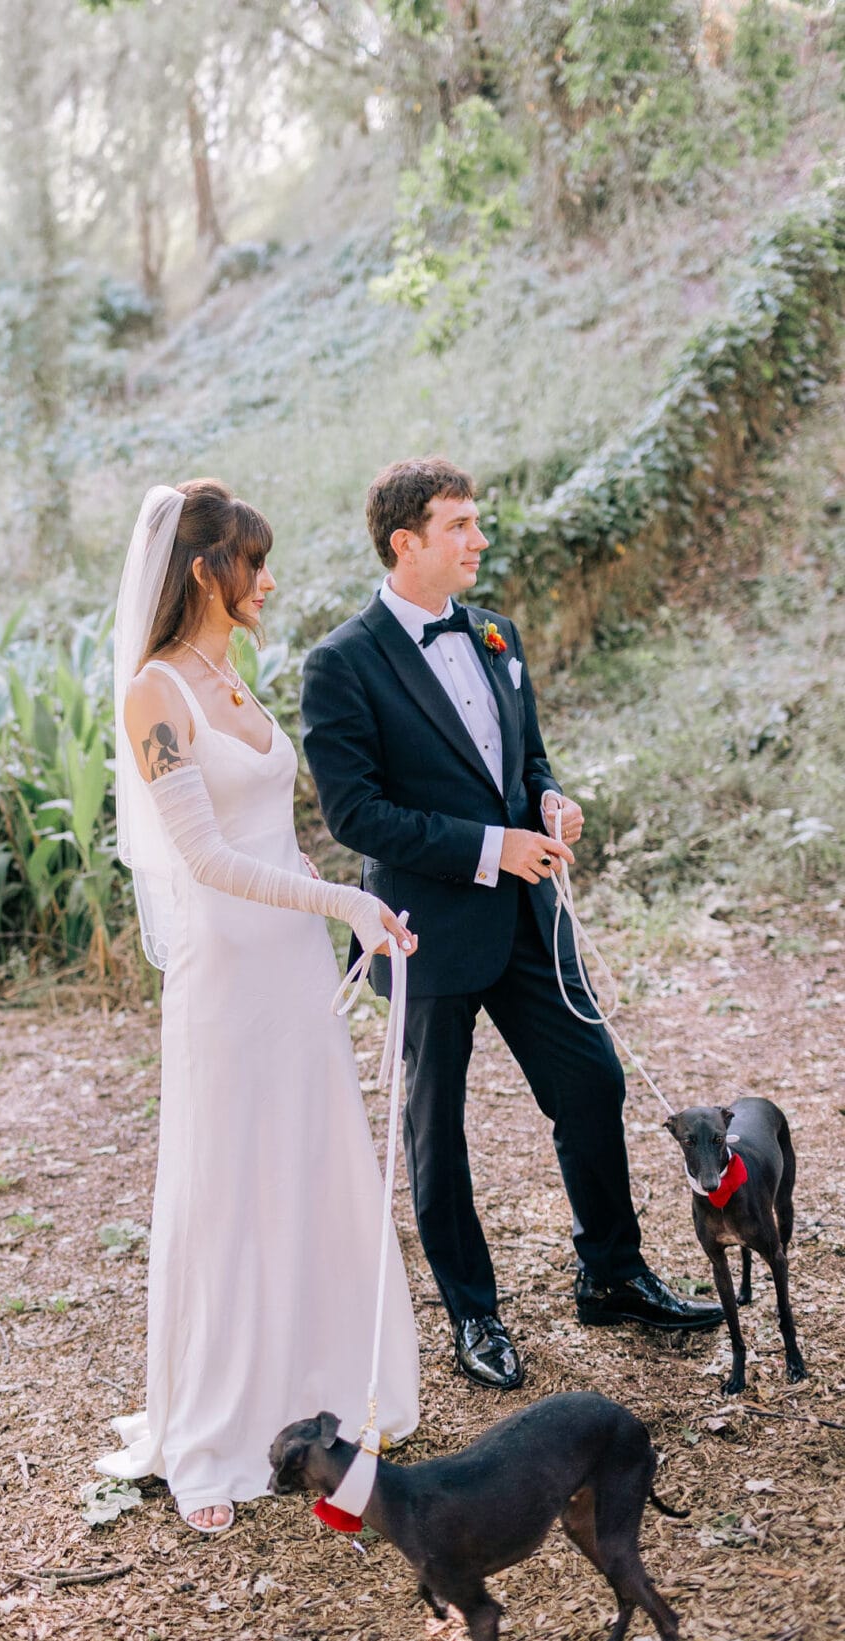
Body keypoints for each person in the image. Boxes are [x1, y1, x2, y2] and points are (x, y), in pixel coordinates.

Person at [300, 456, 722, 1392]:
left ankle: (611, 1275)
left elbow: (527, 761)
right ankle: (473, 1314)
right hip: (424, 931)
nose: (479, 539)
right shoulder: (341, 662)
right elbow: (356, 815)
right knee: (437, 1129)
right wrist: (493, 846)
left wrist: (550, 801)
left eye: (475, 521)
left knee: (592, 1081)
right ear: (406, 542)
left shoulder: (497, 633)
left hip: (529, 918)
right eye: (459, 525)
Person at [96, 479, 420, 1534]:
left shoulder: (228, 675)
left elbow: (267, 835)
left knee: (307, 1164)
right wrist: (343, 901)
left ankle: (318, 1391)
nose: (268, 581)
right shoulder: (156, 693)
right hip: (228, 977)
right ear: (204, 571)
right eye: (253, 562)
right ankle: (211, 1436)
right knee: (232, 1185)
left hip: (289, 962)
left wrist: (330, 895)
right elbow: (204, 856)